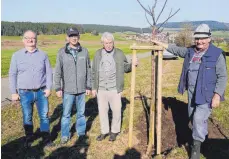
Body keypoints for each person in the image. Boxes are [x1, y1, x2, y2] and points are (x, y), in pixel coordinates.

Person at [152, 24, 227, 159]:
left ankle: (195, 149)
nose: (199, 41)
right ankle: (203, 140)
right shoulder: (191, 52)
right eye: (197, 38)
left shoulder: (217, 54)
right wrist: (161, 44)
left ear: (209, 38)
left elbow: (222, 76)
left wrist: (217, 95)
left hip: (207, 94)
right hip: (192, 92)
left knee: (198, 119)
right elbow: (176, 50)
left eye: (203, 38)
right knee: (193, 117)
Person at [9, 30, 54, 148]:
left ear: (36, 40)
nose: (30, 40)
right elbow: (12, 74)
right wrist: (14, 92)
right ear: (23, 40)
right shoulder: (16, 56)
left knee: (44, 116)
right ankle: (29, 138)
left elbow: (49, 73)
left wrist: (49, 88)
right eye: (27, 38)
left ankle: (46, 139)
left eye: (33, 38)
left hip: (41, 92)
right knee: (27, 116)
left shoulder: (43, 55)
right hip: (25, 93)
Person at [91, 32, 138, 142]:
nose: (108, 45)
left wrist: (133, 64)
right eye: (106, 43)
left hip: (114, 88)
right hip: (101, 88)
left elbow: (126, 68)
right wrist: (94, 87)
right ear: (103, 43)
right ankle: (104, 131)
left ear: (113, 42)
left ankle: (114, 131)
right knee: (102, 111)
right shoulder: (98, 54)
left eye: (110, 42)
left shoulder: (119, 53)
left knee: (117, 110)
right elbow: (93, 72)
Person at [54, 27, 91, 144]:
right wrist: (58, 87)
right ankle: (65, 135)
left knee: (81, 113)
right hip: (68, 90)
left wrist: (88, 86)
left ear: (78, 37)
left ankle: (81, 133)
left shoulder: (84, 51)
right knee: (66, 114)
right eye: (71, 36)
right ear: (67, 37)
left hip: (81, 89)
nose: (74, 38)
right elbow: (58, 71)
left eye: (75, 35)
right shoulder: (62, 52)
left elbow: (88, 70)